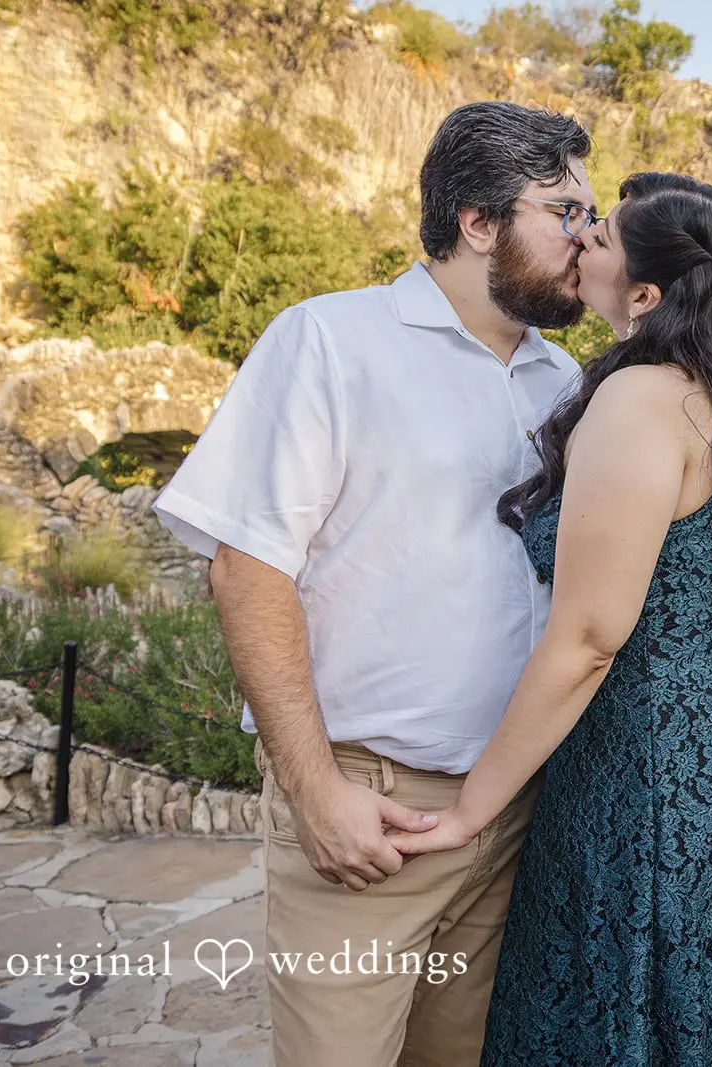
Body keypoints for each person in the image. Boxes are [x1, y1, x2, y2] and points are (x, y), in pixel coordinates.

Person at [150, 101, 597, 1066]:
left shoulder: (564, 379)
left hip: (517, 815)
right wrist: (316, 789)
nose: (586, 237)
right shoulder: (328, 341)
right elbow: (245, 566)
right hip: (374, 814)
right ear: (478, 221)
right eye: (563, 210)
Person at [385, 172, 712, 1066]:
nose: (583, 236)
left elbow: (590, 639)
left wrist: (473, 808)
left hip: (646, 790)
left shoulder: (641, 400)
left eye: (604, 235)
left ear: (644, 295)